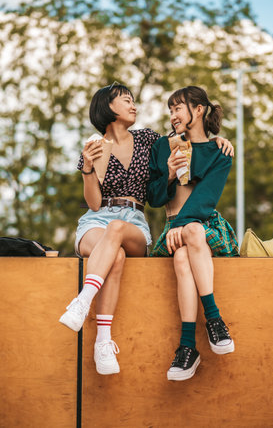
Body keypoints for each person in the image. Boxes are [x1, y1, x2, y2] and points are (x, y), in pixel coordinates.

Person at [59, 82, 234, 376]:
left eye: (177, 107)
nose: (134, 105)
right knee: (141, 256)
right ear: (109, 108)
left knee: (157, 231)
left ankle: (84, 300)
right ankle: (116, 341)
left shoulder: (153, 140)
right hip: (110, 220)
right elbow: (103, 200)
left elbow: (200, 184)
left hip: (160, 222)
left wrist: (220, 140)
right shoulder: (114, 146)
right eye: (126, 100)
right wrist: (89, 169)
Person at [147, 85, 239, 382]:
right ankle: (213, 320)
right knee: (184, 251)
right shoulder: (163, 146)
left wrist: (182, 226)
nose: (172, 115)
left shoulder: (220, 151)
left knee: (192, 238)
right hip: (173, 230)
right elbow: (154, 197)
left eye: (178, 108)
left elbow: (206, 199)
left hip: (204, 226)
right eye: (170, 109)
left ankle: (188, 345)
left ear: (198, 110)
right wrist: (170, 173)